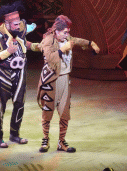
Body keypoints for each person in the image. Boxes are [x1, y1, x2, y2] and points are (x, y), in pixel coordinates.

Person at [37, 15, 100, 153]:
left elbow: (77, 40)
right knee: (48, 111)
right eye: (65, 32)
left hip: (65, 80)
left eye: (68, 32)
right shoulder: (48, 40)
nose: (67, 35)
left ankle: (61, 142)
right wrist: (62, 49)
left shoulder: (67, 38)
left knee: (65, 112)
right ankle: (45, 140)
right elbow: (49, 58)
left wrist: (90, 43)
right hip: (51, 80)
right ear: (56, 31)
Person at [0, 1, 39, 148]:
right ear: (7, 23)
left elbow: (24, 43)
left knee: (20, 104)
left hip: (19, 72)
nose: (18, 24)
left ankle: (14, 134)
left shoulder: (21, 29)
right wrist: (7, 52)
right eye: (14, 22)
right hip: (1, 73)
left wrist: (35, 46)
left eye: (19, 21)